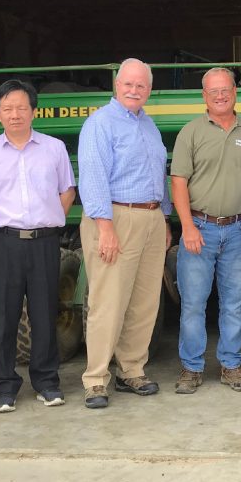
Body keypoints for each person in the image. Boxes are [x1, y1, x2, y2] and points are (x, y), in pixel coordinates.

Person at [0, 80, 76, 412]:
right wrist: (7, 223)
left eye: (21, 107)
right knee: (3, 316)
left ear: (34, 111)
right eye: (7, 108)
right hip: (4, 244)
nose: (15, 114)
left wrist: (47, 219)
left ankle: (47, 382)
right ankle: (4, 387)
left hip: (44, 243)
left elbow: (67, 191)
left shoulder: (53, 148)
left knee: (44, 313)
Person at [77, 58, 171, 409]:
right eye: (128, 84)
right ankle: (96, 379)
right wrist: (105, 227)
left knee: (144, 301)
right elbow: (93, 175)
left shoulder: (149, 125)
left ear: (149, 90)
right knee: (109, 301)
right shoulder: (100, 123)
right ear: (117, 86)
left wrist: (162, 218)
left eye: (141, 85)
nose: (134, 90)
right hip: (115, 217)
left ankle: (131, 369)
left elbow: (157, 173)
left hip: (149, 217)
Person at [171, 67, 241, 394]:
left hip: (238, 229)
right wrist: (187, 227)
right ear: (204, 97)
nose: (221, 96)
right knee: (194, 303)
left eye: (226, 90)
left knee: (234, 302)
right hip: (199, 228)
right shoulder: (191, 132)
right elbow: (178, 182)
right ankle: (191, 368)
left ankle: (230, 365)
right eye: (214, 92)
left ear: (235, 92)